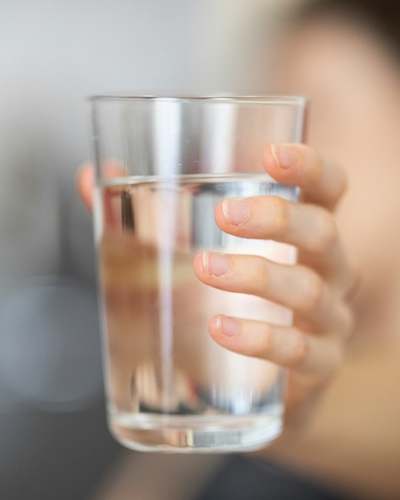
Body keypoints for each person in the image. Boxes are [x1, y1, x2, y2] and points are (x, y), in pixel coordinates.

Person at [77, 1, 400, 498]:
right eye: (260, 123)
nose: (267, 159)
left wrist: (298, 409)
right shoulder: (217, 378)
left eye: (318, 114)